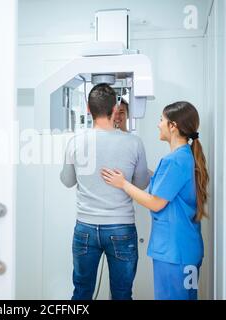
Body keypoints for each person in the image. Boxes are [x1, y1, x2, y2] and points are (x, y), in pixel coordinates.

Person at [101, 101, 209, 300]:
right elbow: (163, 183)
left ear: (173, 126)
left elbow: (156, 202)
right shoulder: (182, 157)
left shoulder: (175, 160)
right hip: (183, 249)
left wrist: (123, 183)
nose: (158, 124)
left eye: (161, 120)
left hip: (174, 253)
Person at [60, 84, 150, 300]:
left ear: (89, 110)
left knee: (81, 292)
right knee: (121, 294)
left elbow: (67, 181)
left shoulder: (75, 142)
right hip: (121, 228)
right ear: (115, 108)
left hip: (85, 229)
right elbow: (142, 183)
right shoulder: (134, 143)